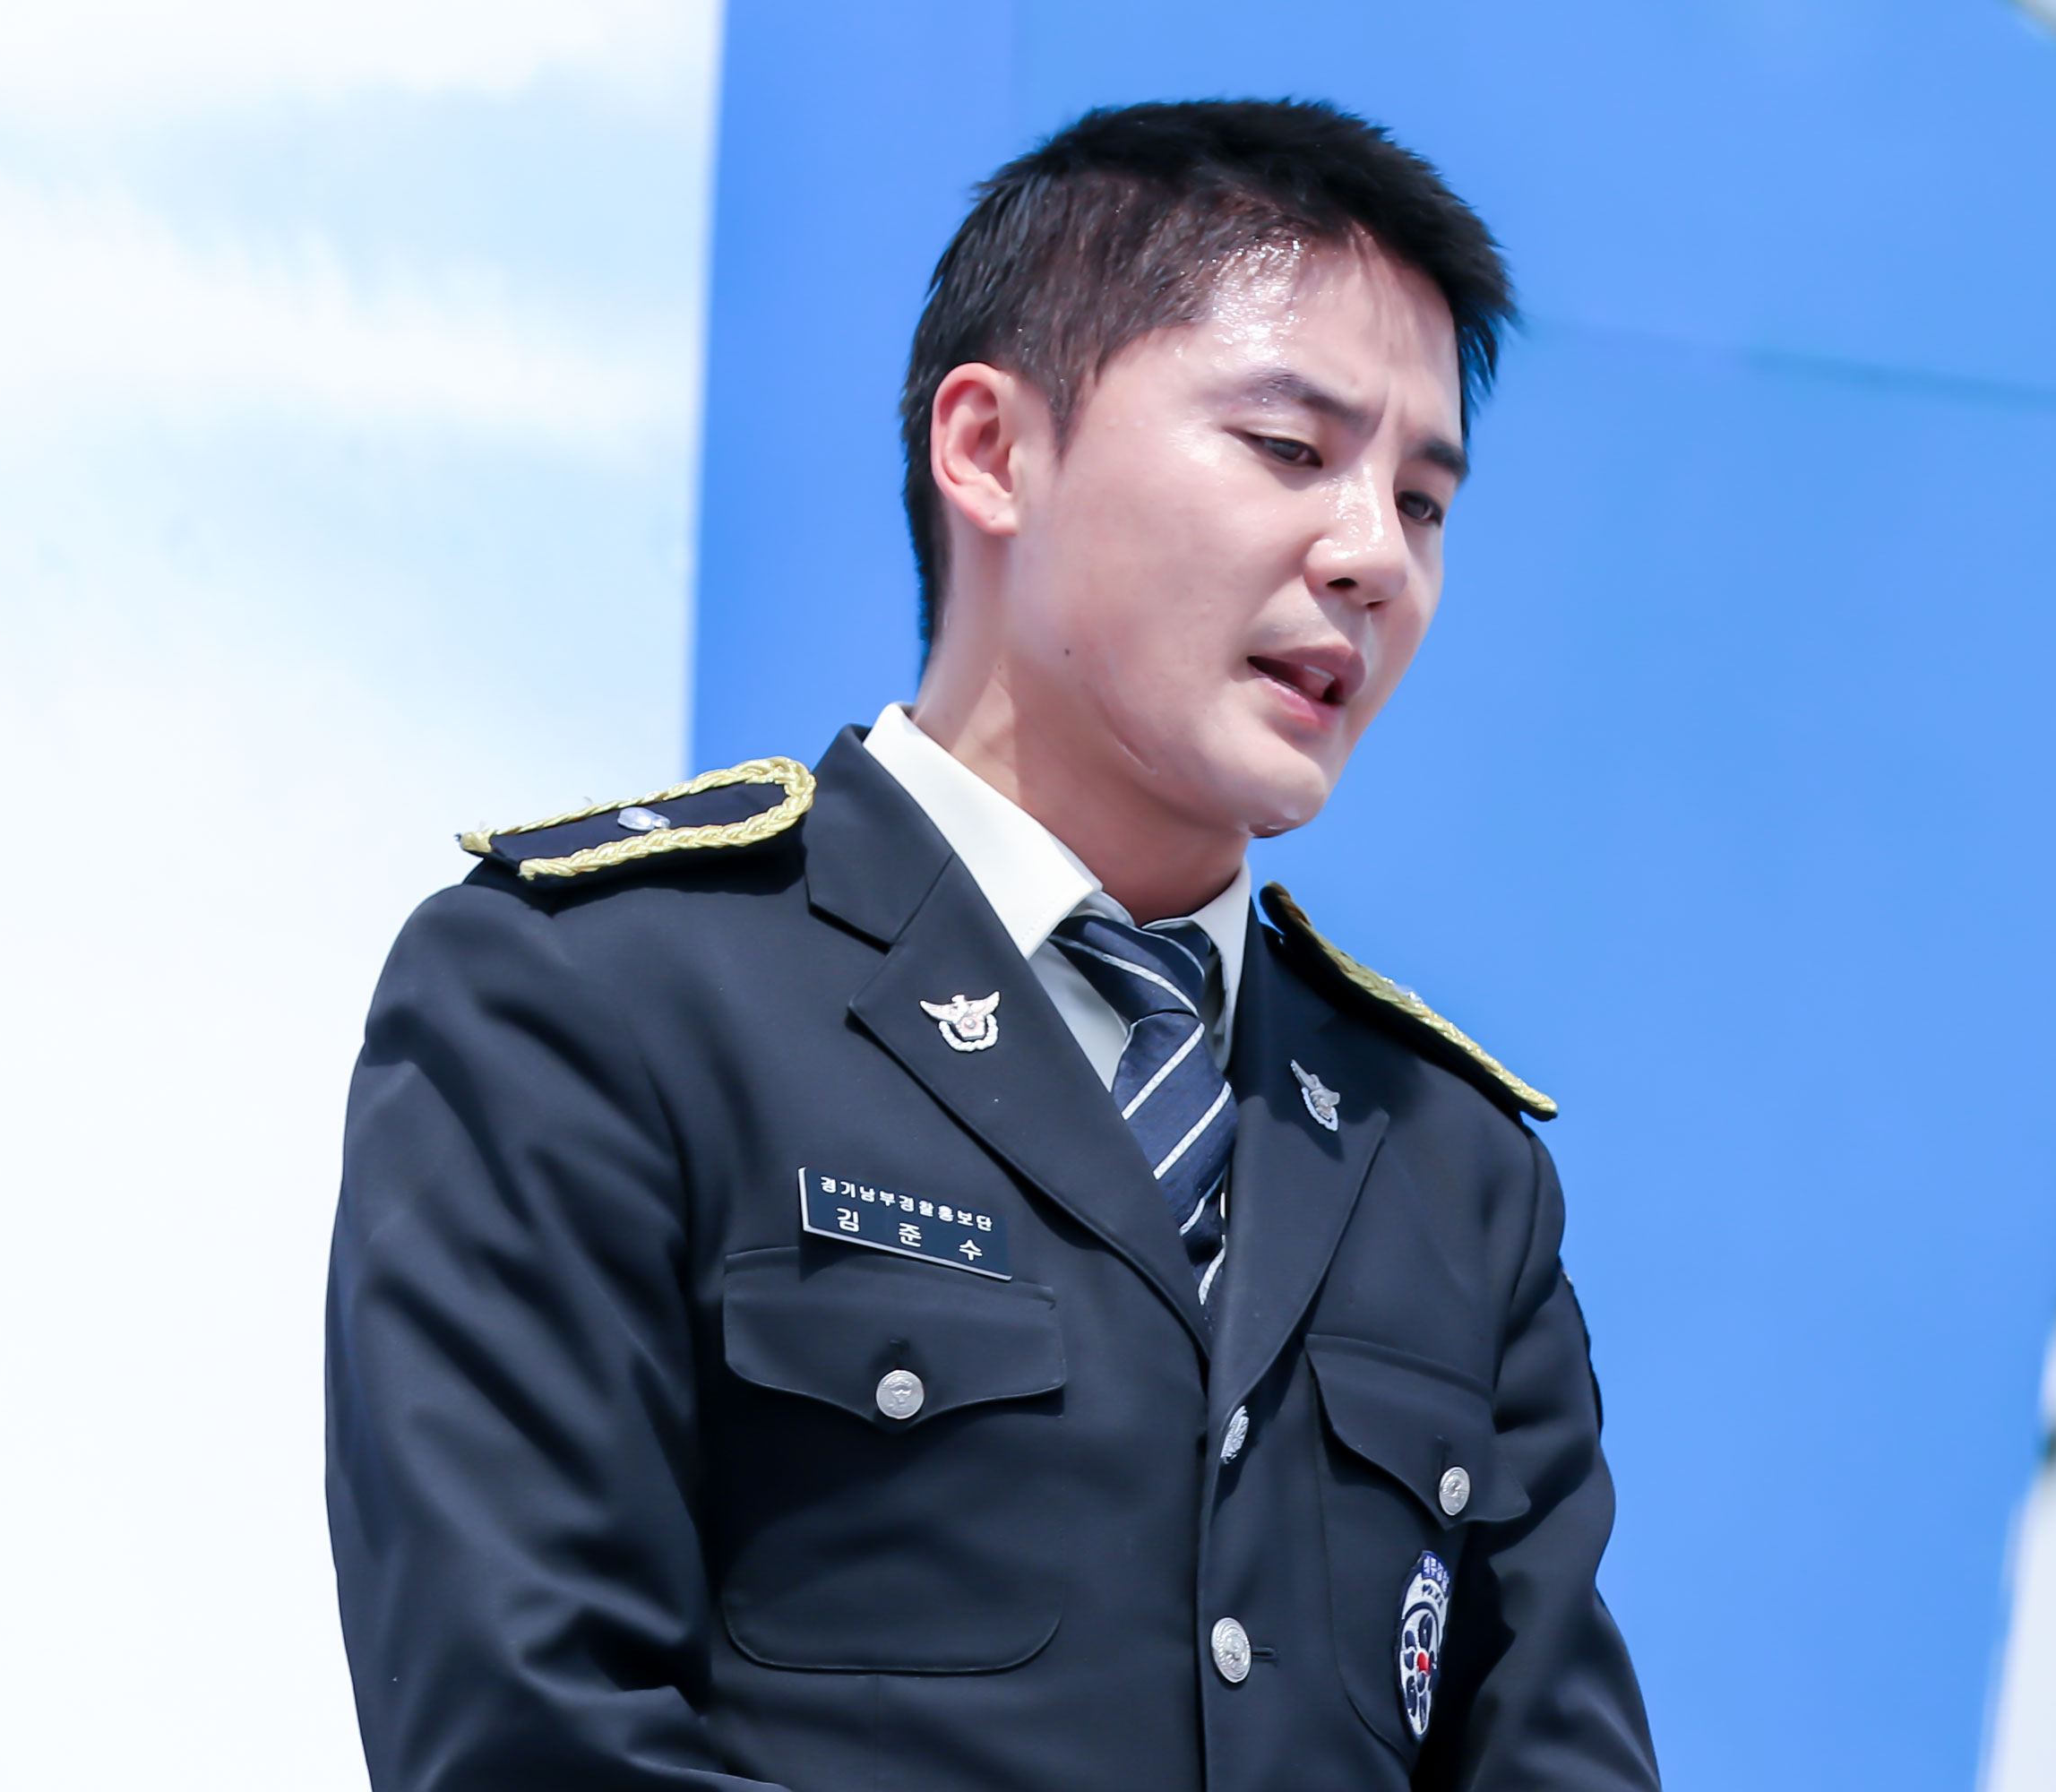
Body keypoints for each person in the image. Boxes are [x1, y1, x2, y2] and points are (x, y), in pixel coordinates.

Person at [326, 99, 1658, 1792]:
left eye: (1425, 500)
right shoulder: (600, 997)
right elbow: (529, 1738)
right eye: (1288, 449)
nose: (1372, 559)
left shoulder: (1450, 1165)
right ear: (991, 450)